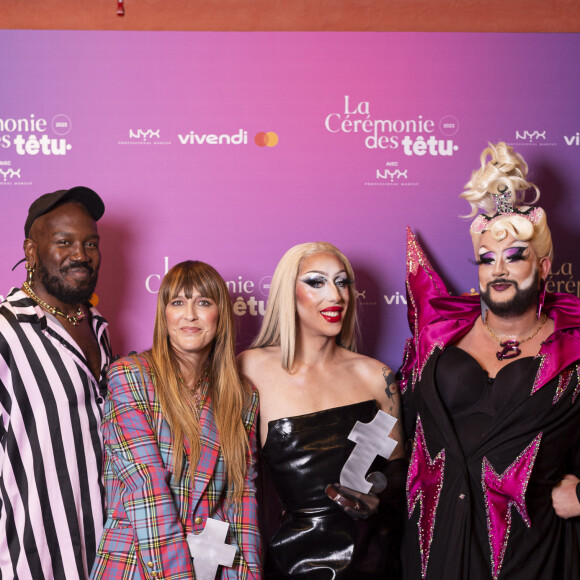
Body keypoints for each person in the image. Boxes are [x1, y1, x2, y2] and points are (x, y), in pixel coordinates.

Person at [399, 142, 580, 580]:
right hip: (434, 553)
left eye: (515, 256)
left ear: (544, 265)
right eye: (486, 259)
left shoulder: (573, 351)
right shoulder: (436, 340)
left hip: (531, 557)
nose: (498, 269)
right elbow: (397, 433)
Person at [239, 242, 406, 579]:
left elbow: (399, 471)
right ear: (289, 292)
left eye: (342, 282)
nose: (336, 295)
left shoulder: (376, 376)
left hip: (376, 562)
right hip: (296, 564)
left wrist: (376, 490)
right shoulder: (251, 369)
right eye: (317, 282)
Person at [90, 260, 261, 579]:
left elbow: (242, 498)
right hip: (137, 562)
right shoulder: (130, 376)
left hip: (213, 565)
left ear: (219, 314)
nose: (190, 314)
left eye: (204, 302)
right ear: (164, 314)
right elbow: (146, 485)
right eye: (178, 302)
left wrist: (248, 574)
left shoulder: (243, 396)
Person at [0, 186, 113, 579]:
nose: (81, 255)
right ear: (31, 251)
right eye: (64, 242)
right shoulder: (5, 332)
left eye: (90, 243)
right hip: (34, 560)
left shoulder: (98, 328)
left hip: (108, 557)